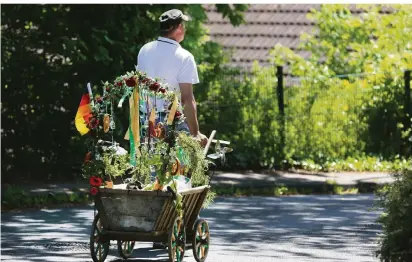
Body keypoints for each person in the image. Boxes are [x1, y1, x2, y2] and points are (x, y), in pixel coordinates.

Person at [137, 9, 208, 147]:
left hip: (145, 121)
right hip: (171, 123)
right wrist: (195, 133)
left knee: (149, 164)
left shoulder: (144, 50)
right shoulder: (184, 57)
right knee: (179, 166)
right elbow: (187, 99)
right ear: (179, 28)